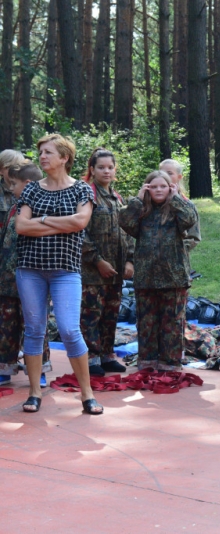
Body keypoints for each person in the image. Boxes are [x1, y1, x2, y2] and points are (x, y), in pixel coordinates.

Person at [15, 134, 102, 414]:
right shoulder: (31, 189)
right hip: (30, 269)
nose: (42, 156)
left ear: (64, 158)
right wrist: (60, 224)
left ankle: (87, 394)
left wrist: (40, 221)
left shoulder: (82, 189)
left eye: (48, 152)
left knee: (69, 329)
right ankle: (34, 393)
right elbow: (21, 227)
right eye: (41, 152)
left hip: (66, 271)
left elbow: (80, 222)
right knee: (34, 330)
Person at [119, 170, 198, 371]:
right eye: (153, 187)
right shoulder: (141, 210)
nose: (158, 190)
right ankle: (147, 361)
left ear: (171, 188)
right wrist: (137, 200)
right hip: (146, 277)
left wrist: (176, 198)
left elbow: (190, 219)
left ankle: (170, 362)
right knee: (146, 322)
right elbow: (125, 223)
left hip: (174, 277)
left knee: (173, 322)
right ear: (147, 189)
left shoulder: (178, 207)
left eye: (163, 186)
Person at [80, 148, 134, 377]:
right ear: (92, 170)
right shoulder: (86, 195)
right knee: (91, 315)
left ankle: (107, 355)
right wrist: (98, 260)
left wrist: (129, 260)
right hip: (93, 271)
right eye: (101, 167)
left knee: (111, 314)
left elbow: (127, 232)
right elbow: (80, 232)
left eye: (110, 167)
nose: (106, 171)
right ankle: (91, 358)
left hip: (116, 272)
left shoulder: (117, 198)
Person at [0, 164, 53, 387]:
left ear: (28, 184)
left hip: (33, 279)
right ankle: (5, 368)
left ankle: (38, 370)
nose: (10, 188)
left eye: (14, 184)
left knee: (35, 325)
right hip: (7, 279)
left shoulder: (44, 208)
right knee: (6, 325)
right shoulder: (15, 207)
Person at [160, 159, 201, 255]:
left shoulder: (187, 204)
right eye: (161, 173)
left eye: (169, 173)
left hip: (176, 259)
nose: (165, 176)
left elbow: (193, 237)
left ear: (179, 177)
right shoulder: (150, 202)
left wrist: (176, 251)